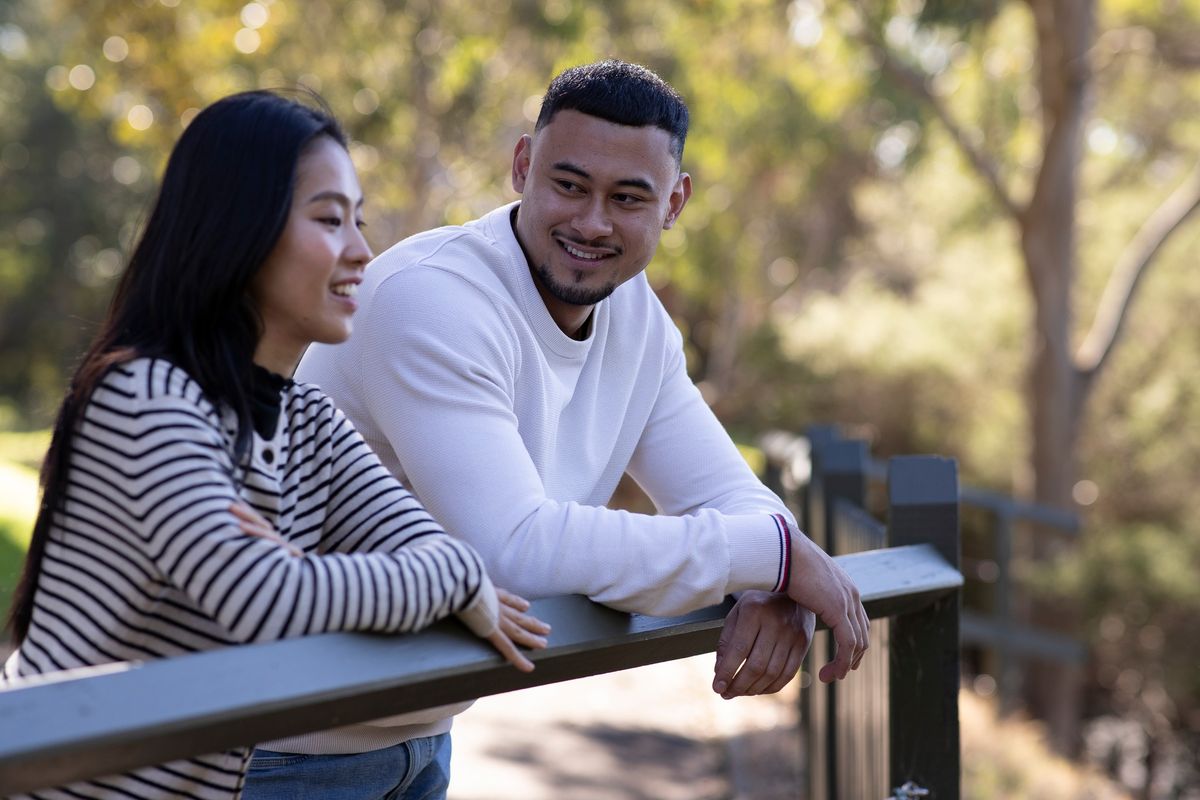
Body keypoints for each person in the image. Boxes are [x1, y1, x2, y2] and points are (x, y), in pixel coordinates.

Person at [283, 59, 870, 796]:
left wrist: (770, 571)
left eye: (628, 198)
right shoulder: (429, 298)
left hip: (419, 734)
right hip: (279, 744)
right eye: (569, 185)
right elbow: (511, 552)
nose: (592, 223)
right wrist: (772, 556)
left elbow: (730, 496)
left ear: (675, 203)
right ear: (523, 164)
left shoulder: (636, 321)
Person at [0, 90, 548, 800]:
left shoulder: (308, 420)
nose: (362, 252)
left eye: (360, 220)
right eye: (328, 220)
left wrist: (433, 576)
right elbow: (264, 601)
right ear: (239, 229)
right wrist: (438, 586)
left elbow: (444, 554)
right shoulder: (143, 396)